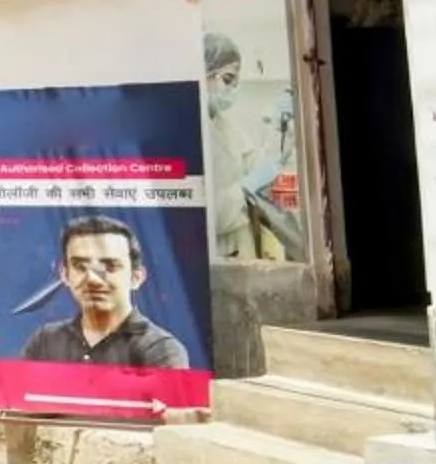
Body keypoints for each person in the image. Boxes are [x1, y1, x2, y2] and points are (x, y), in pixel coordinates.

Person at [20, 216, 191, 368]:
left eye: (110, 266)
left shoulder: (161, 350)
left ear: (136, 277)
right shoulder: (44, 342)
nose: (94, 279)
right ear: (65, 275)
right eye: (80, 266)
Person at [201, 31, 303, 261]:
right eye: (227, 80)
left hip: (240, 244)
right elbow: (208, 217)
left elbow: (258, 166)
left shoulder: (224, 124)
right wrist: (246, 188)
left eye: (236, 81)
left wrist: (280, 130)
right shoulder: (190, 130)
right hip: (218, 252)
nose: (233, 89)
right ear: (202, 73)